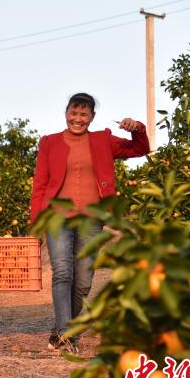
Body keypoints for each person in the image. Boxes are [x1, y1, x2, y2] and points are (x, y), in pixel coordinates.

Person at [29, 92, 149, 350]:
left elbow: (140, 148)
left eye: (84, 114)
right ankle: (65, 334)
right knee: (62, 273)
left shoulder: (102, 140)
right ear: (66, 113)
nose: (78, 119)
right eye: (74, 113)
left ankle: (63, 328)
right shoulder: (49, 142)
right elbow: (40, 185)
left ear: (92, 117)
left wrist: (137, 128)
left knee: (83, 280)